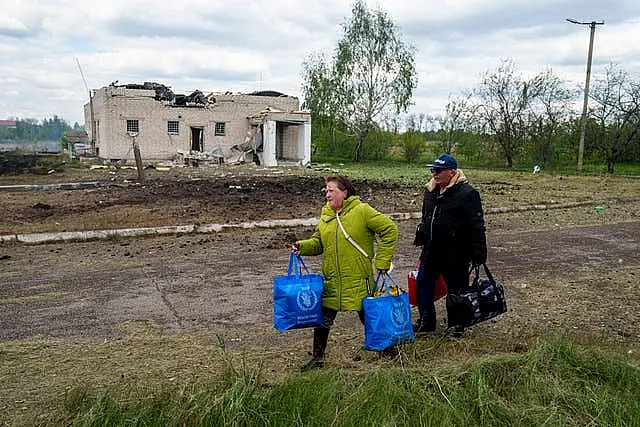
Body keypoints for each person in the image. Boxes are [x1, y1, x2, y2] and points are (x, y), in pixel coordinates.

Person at [292, 175, 398, 370]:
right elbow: (318, 243)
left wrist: (382, 261)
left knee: (368, 315)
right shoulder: (326, 216)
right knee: (323, 318)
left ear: (345, 192)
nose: (327, 194)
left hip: (358, 279)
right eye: (326, 190)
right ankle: (318, 358)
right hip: (332, 280)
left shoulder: (362, 211)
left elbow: (390, 230)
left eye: (331, 190)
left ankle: (389, 350)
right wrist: (302, 246)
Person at [413, 154, 487, 336]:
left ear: (452, 172)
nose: (435, 174)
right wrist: (423, 240)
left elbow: (476, 224)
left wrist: (478, 253)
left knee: (457, 290)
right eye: (433, 170)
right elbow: (426, 218)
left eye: (439, 170)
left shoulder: (467, 193)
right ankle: (426, 321)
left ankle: (457, 326)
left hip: (455, 252)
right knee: (422, 284)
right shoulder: (430, 191)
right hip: (431, 250)